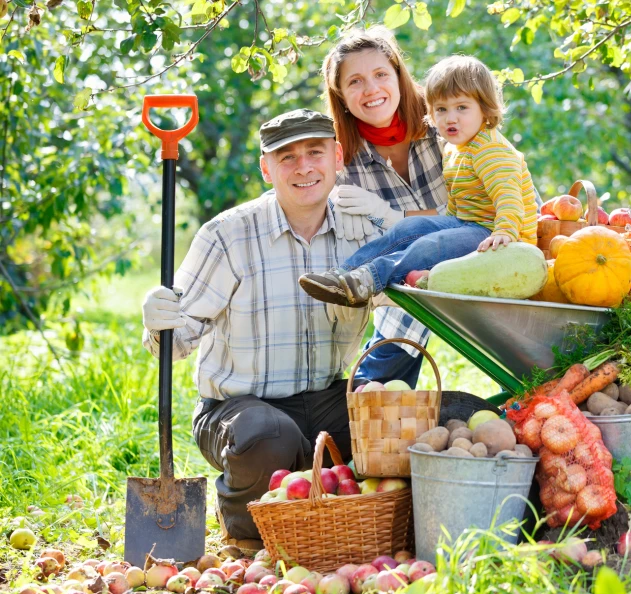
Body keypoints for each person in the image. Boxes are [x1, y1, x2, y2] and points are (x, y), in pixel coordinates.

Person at [140, 109, 372, 550]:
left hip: (324, 398)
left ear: (337, 157)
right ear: (266, 167)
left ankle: (325, 501)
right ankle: (244, 528)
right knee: (271, 436)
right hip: (237, 411)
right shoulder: (229, 235)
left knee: (392, 426)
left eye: (314, 152)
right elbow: (176, 344)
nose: (303, 167)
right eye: (286, 157)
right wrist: (159, 322)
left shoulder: (361, 234)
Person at [298, 54, 538, 309]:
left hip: (501, 238)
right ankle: (344, 274)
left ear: (486, 109)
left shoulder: (490, 150)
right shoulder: (455, 149)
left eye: (462, 108)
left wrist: (505, 231)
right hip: (469, 225)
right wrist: (441, 225)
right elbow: (456, 202)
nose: (450, 118)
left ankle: (368, 280)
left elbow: (509, 197)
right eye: (441, 110)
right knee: (408, 228)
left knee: (431, 245)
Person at [310, 26, 451, 389]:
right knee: (411, 294)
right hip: (404, 285)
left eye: (380, 74)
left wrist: (394, 217)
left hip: (479, 253)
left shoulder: (444, 123)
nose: (371, 90)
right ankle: (373, 398)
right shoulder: (342, 159)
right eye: (355, 82)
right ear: (340, 96)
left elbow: (478, 211)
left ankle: (368, 387)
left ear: (399, 76)